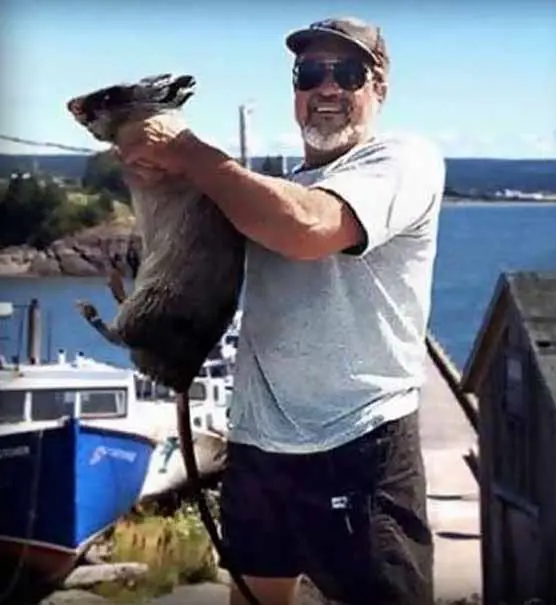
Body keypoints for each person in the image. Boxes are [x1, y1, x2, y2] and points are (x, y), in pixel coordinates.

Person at [116, 15, 446, 605]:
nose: (327, 87)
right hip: (259, 446)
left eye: (348, 72)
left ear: (379, 87)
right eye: (309, 73)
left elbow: (309, 228)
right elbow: (199, 250)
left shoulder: (405, 160)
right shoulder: (274, 190)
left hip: (360, 443)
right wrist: (157, 181)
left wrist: (187, 151)